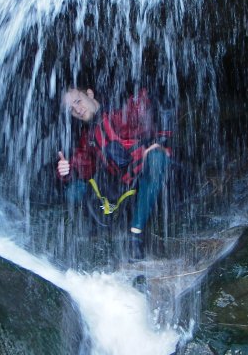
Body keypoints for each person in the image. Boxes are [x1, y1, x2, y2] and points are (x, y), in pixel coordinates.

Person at [57, 87, 170, 261]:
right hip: (123, 189)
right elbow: (84, 165)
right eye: (71, 109)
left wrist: (159, 142)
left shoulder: (120, 112)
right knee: (73, 191)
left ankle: (136, 235)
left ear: (89, 94)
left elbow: (151, 110)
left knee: (156, 158)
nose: (77, 110)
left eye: (78, 101)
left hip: (151, 178)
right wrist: (67, 169)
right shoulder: (89, 136)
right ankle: (98, 227)